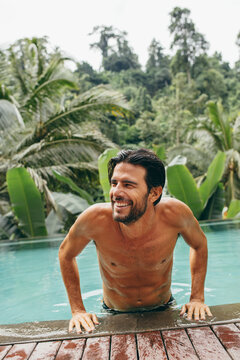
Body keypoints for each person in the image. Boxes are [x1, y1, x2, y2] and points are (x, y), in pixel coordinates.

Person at [59, 148, 212, 334]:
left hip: (164, 308)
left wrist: (197, 298)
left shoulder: (175, 214)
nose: (116, 192)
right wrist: (78, 311)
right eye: (114, 183)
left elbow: (199, 244)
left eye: (128, 185)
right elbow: (66, 254)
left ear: (154, 193)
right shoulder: (94, 220)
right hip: (114, 312)